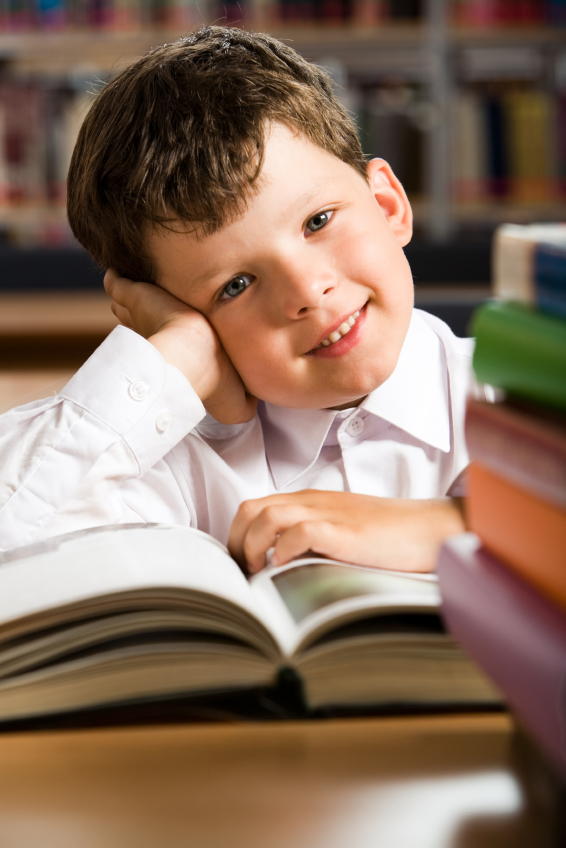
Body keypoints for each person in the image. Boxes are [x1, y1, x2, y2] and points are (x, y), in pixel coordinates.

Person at [0, 26, 485, 571]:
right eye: (235, 285)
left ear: (388, 204)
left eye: (317, 221)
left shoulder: (517, 394)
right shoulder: (171, 463)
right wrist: (174, 358)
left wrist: (451, 526)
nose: (306, 292)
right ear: (179, 312)